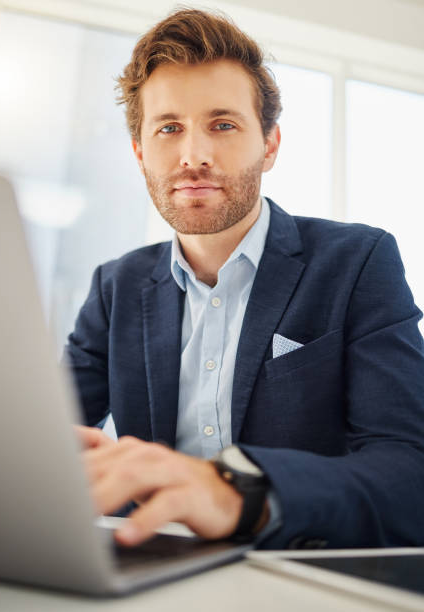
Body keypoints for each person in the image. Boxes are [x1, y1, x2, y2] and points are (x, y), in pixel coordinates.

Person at [65, 8, 424, 549]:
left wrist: (241, 492)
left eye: (223, 125)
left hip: (299, 571)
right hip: (147, 567)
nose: (194, 156)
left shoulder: (357, 260)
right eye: (169, 129)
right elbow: (45, 441)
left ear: (270, 144)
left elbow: (409, 472)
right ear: (140, 154)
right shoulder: (115, 287)